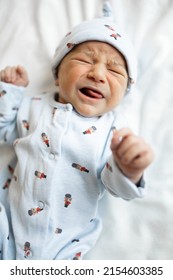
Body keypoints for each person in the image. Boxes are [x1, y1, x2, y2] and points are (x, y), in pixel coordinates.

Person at [0, 2, 154, 260]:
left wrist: (129, 169)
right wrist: (10, 92)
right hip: (8, 229)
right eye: (84, 60)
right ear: (58, 75)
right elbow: (3, 131)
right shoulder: (34, 105)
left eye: (115, 70)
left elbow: (115, 185)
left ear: (123, 93)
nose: (98, 74)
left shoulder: (113, 131)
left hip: (64, 249)